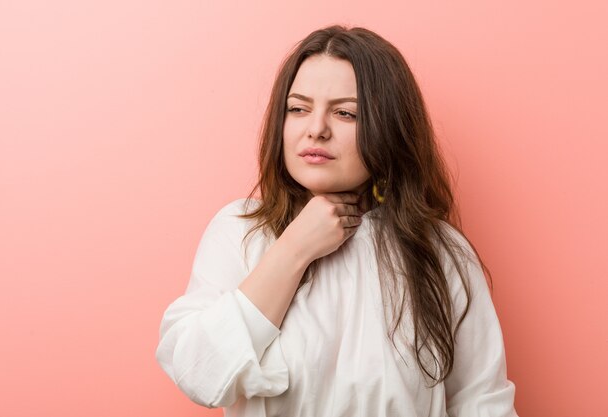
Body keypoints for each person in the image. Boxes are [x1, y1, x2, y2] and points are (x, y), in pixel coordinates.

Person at [155, 25, 519, 417]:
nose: (316, 129)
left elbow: (483, 402)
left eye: (345, 113)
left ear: (388, 126)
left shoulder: (440, 250)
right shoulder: (240, 230)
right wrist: (294, 250)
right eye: (298, 108)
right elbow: (199, 374)